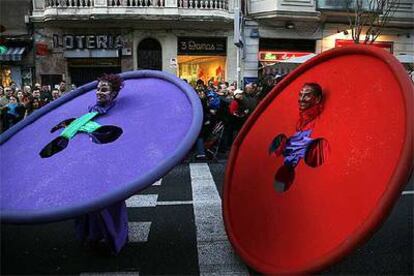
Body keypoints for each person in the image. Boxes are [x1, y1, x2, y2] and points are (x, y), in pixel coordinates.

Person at [269, 83, 329, 193]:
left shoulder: (319, 122)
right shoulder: (300, 120)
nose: (301, 99)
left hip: (307, 182)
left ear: (317, 99)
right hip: (287, 175)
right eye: (300, 95)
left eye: (307, 95)